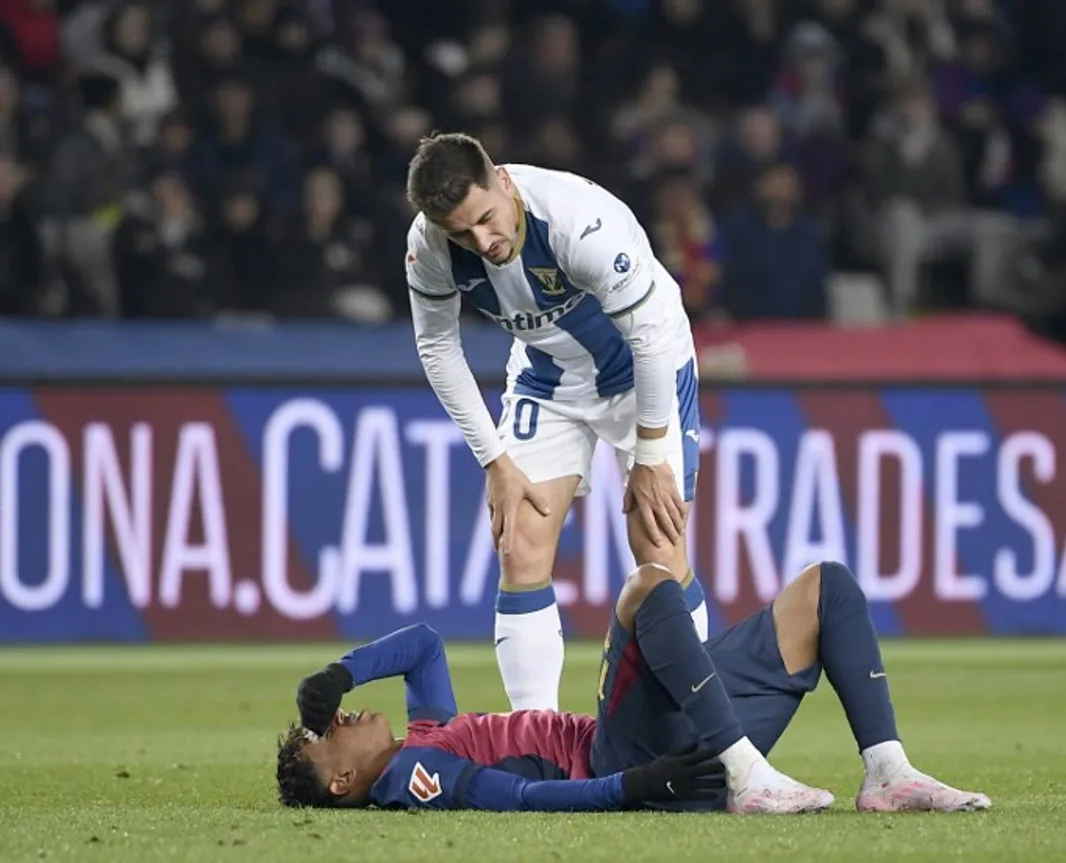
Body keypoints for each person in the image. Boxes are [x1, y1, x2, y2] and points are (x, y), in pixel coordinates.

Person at [275, 561, 991, 815]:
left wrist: (340, 669)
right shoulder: (414, 774)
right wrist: (634, 785)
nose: (345, 712)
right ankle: (746, 775)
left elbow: (424, 644)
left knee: (825, 590)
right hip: (626, 757)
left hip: (681, 751)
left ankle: (887, 771)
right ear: (341, 781)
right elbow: (520, 797)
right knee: (649, 584)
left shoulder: (421, 737)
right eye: (333, 729)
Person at [403, 132, 708, 712]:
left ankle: (699, 737)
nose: (482, 242)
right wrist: (494, 461)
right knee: (518, 542)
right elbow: (438, 348)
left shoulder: (577, 222)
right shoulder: (430, 247)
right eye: (461, 232)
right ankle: (532, 733)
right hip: (548, 374)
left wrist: (648, 454)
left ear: (504, 181)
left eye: (487, 220)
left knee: (658, 546)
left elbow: (647, 338)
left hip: (640, 365)